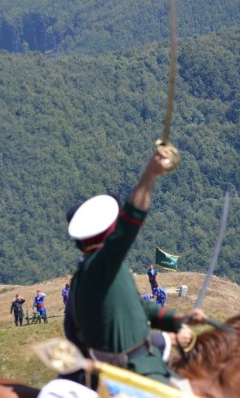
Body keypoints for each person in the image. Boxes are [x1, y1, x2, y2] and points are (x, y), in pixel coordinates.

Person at [66, 144, 207, 391]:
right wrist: (150, 173)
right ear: (109, 232)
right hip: (133, 375)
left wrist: (177, 318)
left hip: (138, 367)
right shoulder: (100, 266)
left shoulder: (93, 272)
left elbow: (136, 307)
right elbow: (132, 220)